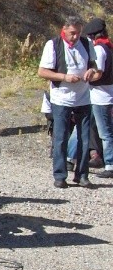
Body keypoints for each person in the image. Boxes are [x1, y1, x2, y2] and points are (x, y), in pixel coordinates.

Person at [37, 15, 101, 188]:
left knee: (84, 138)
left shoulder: (87, 43)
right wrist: (64, 77)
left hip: (83, 98)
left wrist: (92, 73)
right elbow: (42, 71)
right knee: (60, 137)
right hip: (61, 98)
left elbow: (97, 71)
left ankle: (82, 175)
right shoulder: (53, 45)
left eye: (78, 33)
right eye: (72, 33)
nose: (75, 37)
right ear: (64, 29)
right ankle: (60, 175)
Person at [84, 18, 113, 178]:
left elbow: (98, 74)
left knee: (105, 133)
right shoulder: (108, 46)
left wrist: (82, 78)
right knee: (85, 128)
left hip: (101, 97)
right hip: (100, 96)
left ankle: (110, 165)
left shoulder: (101, 49)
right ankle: (69, 156)